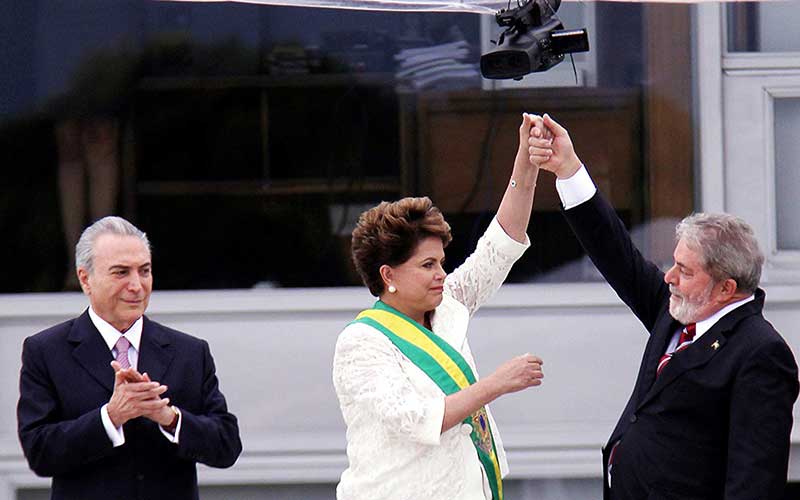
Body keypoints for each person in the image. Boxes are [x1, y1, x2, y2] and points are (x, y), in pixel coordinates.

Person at [528, 114, 799, 499]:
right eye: (674, 264)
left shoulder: (761, 353)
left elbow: (754, 480)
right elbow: (616, 253)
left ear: (726, 288)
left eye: (685, 271)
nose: (669, 277)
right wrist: (568, 169)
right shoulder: (678, 309)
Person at [333, 114, 545, 500]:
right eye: (428, 265)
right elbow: (416, 418)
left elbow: (500, 247)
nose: (441, 275)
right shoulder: (360, 344)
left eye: (442, 263)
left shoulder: (448, 305)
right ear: (388, 274)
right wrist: (496, 384)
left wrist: (525, 165)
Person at [17, 216, 242, 500]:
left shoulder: (190, 352)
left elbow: (227, 446)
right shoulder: (46, 351)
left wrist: (169, 418)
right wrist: (111, 417)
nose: (136, 285)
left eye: (144, 271)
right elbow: (39, 452)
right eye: (121, 272)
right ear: (85, 279)